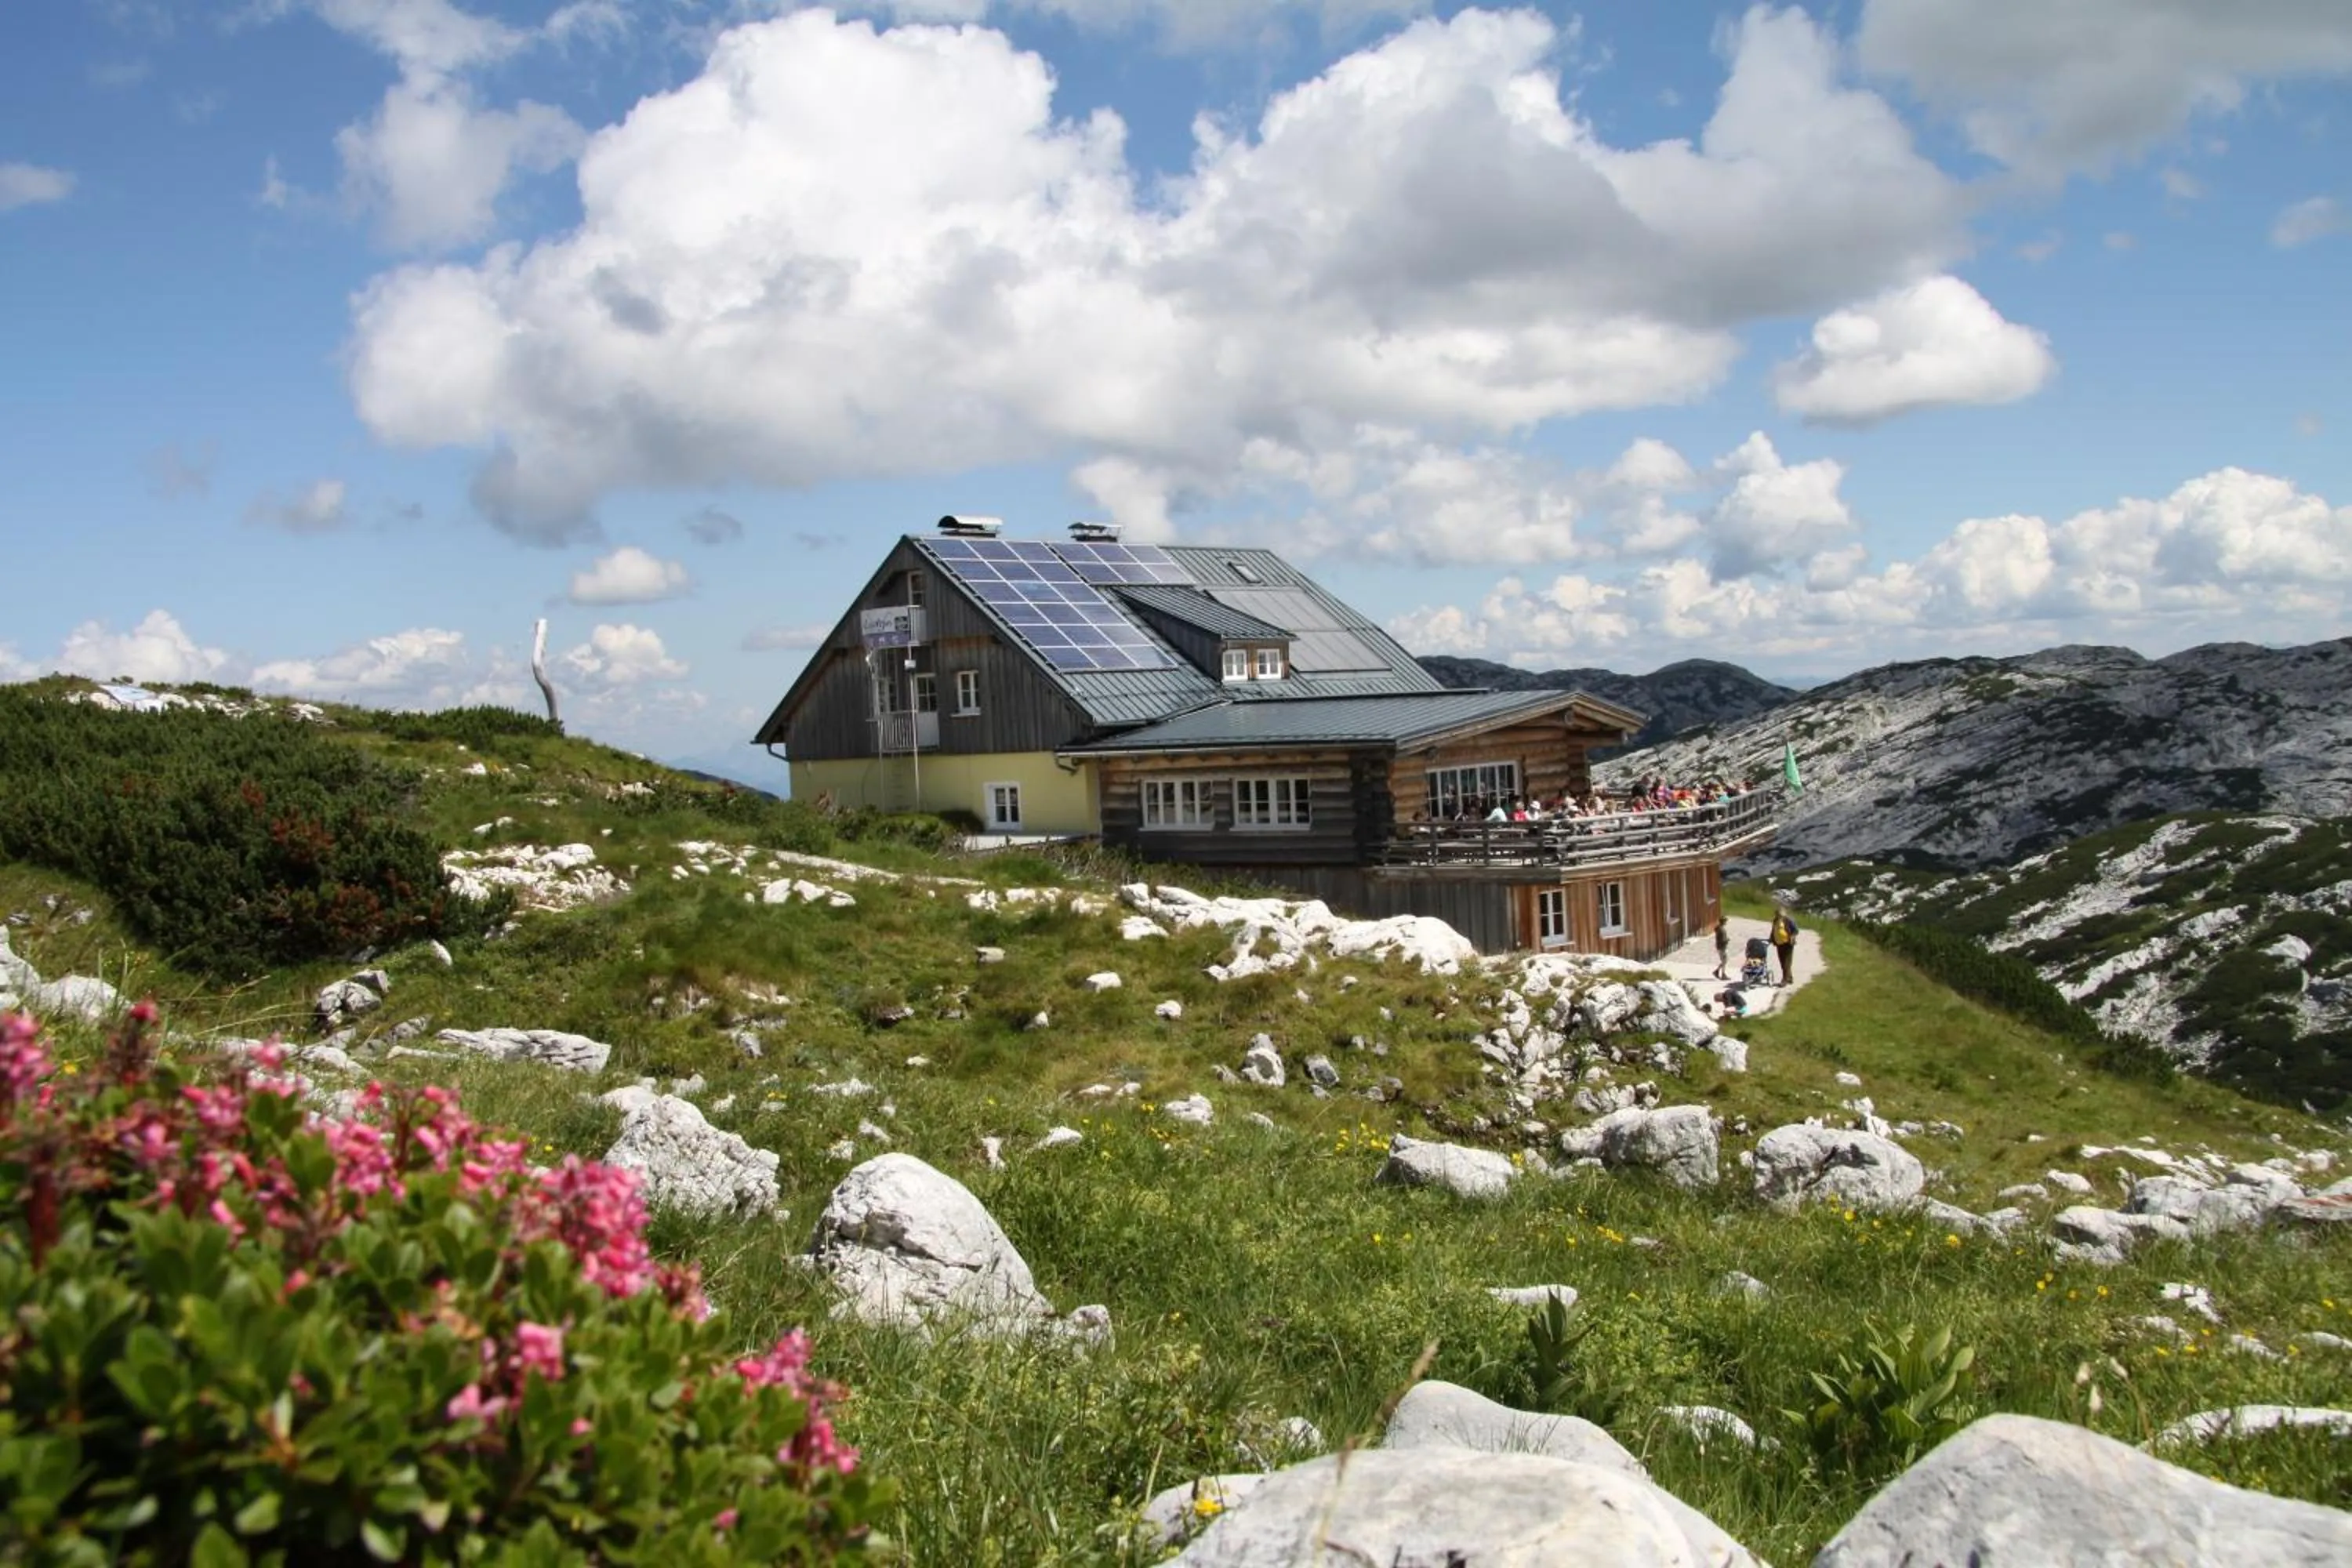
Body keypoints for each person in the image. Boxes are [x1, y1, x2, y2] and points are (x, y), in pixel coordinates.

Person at [1769, 905, 1800, 986]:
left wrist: (1792, 937)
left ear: (1783, 913)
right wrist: (1771, 938)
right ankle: (1790, 978)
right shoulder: (1775, 920)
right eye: (1777, 914)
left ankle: (1784, 980)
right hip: (1779, 944)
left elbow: (1796, 930)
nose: (1778, 915)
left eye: (1780, 914)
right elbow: (1774, 930)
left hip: (1787, 944)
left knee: (1786, 963)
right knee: (1783, 962)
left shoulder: (1788, 920)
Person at [1712, 916, 1731, 981]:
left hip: (1720, 947)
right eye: (1726, 921)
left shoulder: (1719, 928)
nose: (1726, 922)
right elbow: (1722, 940)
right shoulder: (1722, 930)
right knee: (1724, 961)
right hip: (1722, 947)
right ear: (1724, 922)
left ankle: (1718, 972)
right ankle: (1722, 974)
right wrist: (1727, 940)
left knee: (1724, 961)